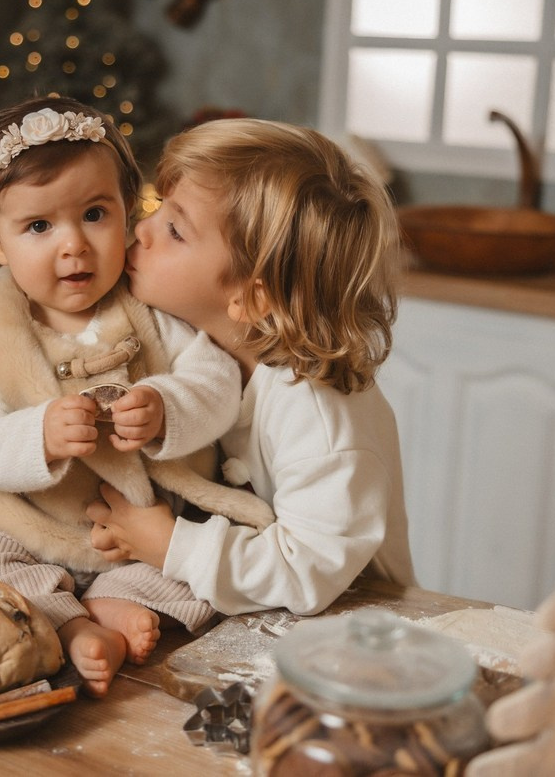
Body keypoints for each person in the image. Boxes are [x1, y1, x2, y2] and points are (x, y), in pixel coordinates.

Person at [0, 97, 271, 697]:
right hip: (32, 521)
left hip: (144, 521)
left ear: (129, 210)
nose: (73, 246)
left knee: (203, 568)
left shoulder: (151, 303)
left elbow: (215, 379)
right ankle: (70, 620)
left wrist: (166, 407)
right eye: (38, 226)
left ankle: (113, 607)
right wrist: (36, 435)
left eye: (93, 214)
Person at [87, 118, 416, 617]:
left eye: (175, 229)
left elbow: (306, 570)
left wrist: (167, 544)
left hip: (355, 629)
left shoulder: (316, 411)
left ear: (251, 297)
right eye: (156, 206)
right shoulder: (194, 343)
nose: (143, 228)